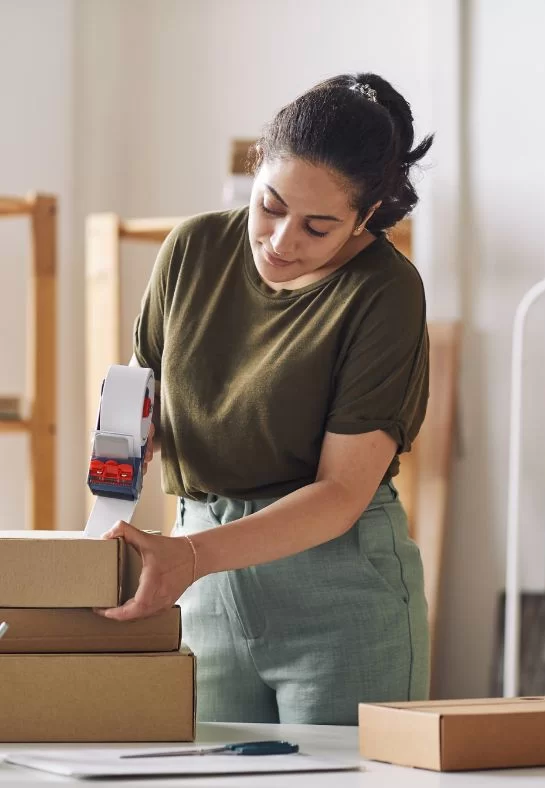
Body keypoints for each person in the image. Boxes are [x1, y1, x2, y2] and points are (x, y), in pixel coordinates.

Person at [96, 73, 433, 726]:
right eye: (270, 206)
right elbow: (136, 399)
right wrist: (107, 495)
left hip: (341, 595)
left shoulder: (384, 292)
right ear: (255, 171)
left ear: (365, 217)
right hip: (200, 584)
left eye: (318, 226)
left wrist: (189, 559)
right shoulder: (192, 249)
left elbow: (340, 493)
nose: (281, 241)